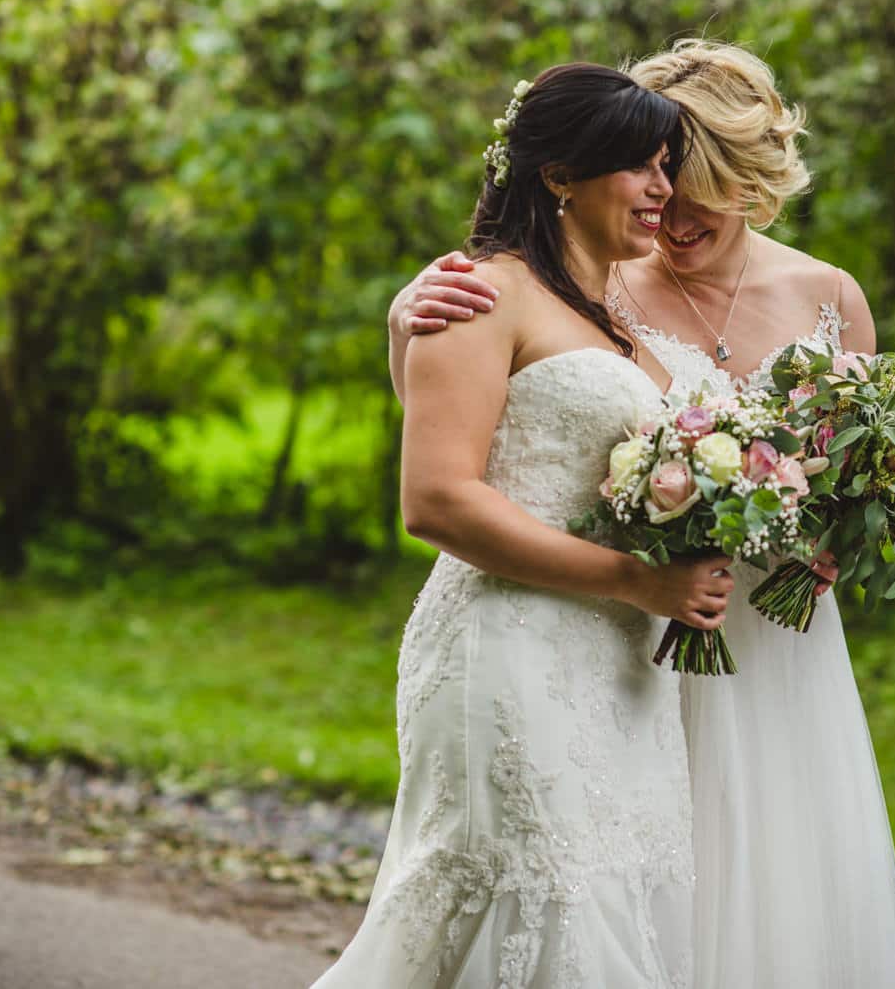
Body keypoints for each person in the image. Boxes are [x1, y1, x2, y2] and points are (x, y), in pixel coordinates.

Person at [388, 41, 895, 987]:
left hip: (770, 647)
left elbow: (860, 480)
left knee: (769, 891)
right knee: (590, 902)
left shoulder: (828, 296)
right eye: (658, 180)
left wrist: (842, 537)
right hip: (619, 635)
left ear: (756, 180)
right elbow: (497, 448)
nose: (670, 212)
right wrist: (407, 325)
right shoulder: (586, 270)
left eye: (692, 184)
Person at [313, 62, 735, 988]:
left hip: (619, 671)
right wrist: (638, 580)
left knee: (608, 911)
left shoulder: (618, 316)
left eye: (668, 164)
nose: (665, 190)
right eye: (641, 165)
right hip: (509, 652)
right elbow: (439, 498)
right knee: (541, 913)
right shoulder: (480, 292)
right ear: (558, 176)